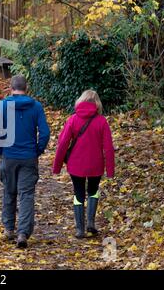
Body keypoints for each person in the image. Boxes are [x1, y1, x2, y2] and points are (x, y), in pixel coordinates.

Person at [0, 75, 50, 248]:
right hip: (29, 157)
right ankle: (23, 233)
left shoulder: (2, 106)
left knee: (9, 192)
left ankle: (9, 229)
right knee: (26, 195)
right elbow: (45, 133)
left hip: (8, 156)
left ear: (11, 88)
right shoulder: (36, 107)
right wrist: (37, 150)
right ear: (26, 88)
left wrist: (1, 150)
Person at [53, 90, 115, 239]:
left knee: (78, 193)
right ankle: (91, 223)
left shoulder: (73, 120)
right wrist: (110, 170)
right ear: (97, 104)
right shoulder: (102, 121)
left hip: (76, 165)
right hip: (96, 164)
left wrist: (57, 166)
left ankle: (80, 229)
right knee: (93, 191)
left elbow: (62, 144)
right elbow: (108, 148)